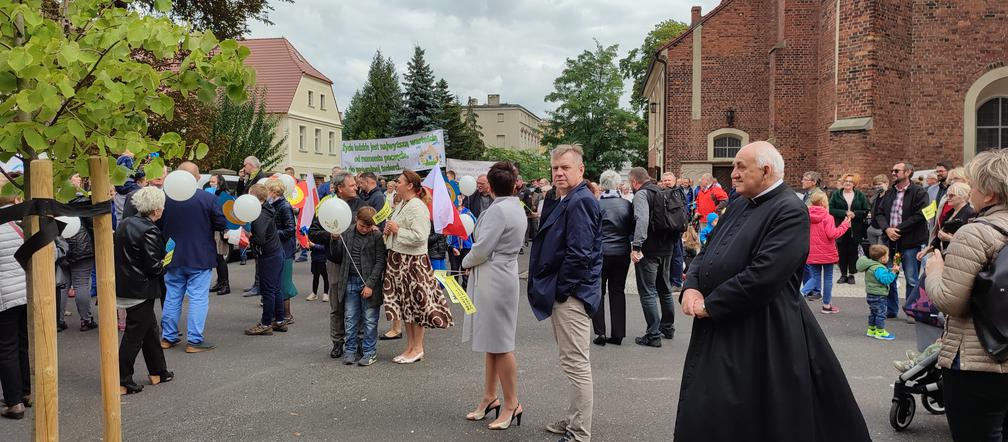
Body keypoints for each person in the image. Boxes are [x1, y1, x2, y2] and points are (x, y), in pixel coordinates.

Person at [676, 141, 870, 441]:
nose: (733, 174)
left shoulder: (789, 210)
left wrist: (710, 305)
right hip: (720, 324)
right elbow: (708, 250)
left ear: (765, 171)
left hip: (762, 332)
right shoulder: (740, 201)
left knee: (753, 416)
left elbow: (764, 275)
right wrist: (691, 287)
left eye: (741, 167)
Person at [925, 149, 1008, 442]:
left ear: (988, 194)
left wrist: (934, 270)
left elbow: (951, 301)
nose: (969, 191)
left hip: (978, 362)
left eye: (973, 185)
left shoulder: (974, 234)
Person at [527, 145, 602, 442]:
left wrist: (562, 291)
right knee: (572, 362)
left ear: (580, 170)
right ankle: (574, 419)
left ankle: (579, 432)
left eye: (565, 167)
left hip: (573, 295)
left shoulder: (580, 201)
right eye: (555, 168)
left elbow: (580, 254)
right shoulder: (567, 198)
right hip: (569, 291)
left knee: (576, 363)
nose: (559, 172)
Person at [462, 161, 527, 430]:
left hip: (494, 275)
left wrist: (465, 262)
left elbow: (481, 248)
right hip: (501, 272)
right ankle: (490, 397)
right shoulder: (516, 207)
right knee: (493, 341)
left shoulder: (498, 211)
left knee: (501, 342)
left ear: (489, 185)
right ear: (514, 184)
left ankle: (511, 403)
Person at [382, 169, 454, 364]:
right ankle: (410, 347)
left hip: (412, 262)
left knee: (416, 306)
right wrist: (388, 231)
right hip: (400, 261)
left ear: (410, 185)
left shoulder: (417, 206)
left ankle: (418, 348)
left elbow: (420, 237)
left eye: (399, 181)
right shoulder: (403, 204)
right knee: (406, 307)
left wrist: (397, 230)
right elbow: (397, 229)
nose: (396, 184)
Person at [159, 162, 227, 353]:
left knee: (172, 296)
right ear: (197, 178)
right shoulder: (206, 198)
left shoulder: (164, 198)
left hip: (172, 255)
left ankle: (168, 337)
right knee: (198, 297)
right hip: (200, 255)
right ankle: (194, 340)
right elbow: (220, 222)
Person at [114, 187, 174, 394]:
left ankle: (159, 371)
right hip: (141, 288)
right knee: (134, 335)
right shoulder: (150, 230)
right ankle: (122, 379)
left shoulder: (125, 223)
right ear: (156, 210)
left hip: (126, 284)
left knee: (149, 329)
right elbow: (153, 266)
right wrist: (167, 260)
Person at [309, 171, 369, 357]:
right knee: (336, 305)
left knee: (359, 305)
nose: (356, 188)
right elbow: (313, 232)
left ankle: (358, 340)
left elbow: (373, 228)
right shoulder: (327, 206)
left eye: (355, 185)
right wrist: (330, 235)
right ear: (340, 188)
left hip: (358, 263)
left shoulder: (362, 205)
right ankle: (337, 342)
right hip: (335, 262)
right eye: (351, 186)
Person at [874, 161, 930, 320]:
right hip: (891, 243)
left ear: (908, 172)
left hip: (910, 243)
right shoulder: (890, 193)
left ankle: (911, 311)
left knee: (911, 279)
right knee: (890, 276)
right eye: (892, 170)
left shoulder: (919, 192)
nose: (893, 173)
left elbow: (921, 215)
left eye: (896, 170)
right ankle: (891, 310)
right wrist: (887, 229)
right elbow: (879, 213)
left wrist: (898, 229)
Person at [628, 167, 677, 348]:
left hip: (649, 249)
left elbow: (642, 220)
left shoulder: (642, 195)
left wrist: (636, 245)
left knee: (647, 291)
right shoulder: (661, 191)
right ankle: (668, 327)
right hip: (667, 247)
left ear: (634, 182)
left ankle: (653, 334)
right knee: (664, 288)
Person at [333, 206, 387, 366]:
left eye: (368, 227)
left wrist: (370, 284)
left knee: (370, 319)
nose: (364, 229)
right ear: (357, 219)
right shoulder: (347, 232)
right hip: (349, 280)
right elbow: (337, 256)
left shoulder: (377, 236)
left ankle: (370, 352)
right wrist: (334, 240)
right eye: (362, 225)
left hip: (369, 282)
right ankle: (350, 350)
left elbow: (380, 262)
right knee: (350, 318)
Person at [591, 170, 633, 346]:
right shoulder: (626, 204)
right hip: (622, 251)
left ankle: (600, 332)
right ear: (617, 184)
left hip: (601, 252)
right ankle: (618, 333)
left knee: (598, 291)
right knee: (617, 291)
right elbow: (632, 227)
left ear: (602, 185)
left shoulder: (595, 205)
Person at [243, 184, 286, 335]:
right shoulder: (266, 209)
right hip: (276, 253)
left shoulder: (260, 214)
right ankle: (279, 321)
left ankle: (266, 323)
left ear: (254, 197)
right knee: (275, 289)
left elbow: (260, 239)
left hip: (269, 255)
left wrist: (249, 236)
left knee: (268, 290)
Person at [0, 193, 28, 419]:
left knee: (6, 348)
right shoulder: (18, 225)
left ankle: (14, 401)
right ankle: (26, 392)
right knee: (22, 344)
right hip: (24, 292)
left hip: (4, 297)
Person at [804, 191, 851, 313]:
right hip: (827, 252)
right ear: (824, 202)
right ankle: (826, 306)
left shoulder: (805, 216)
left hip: (812, 251)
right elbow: (832, 234)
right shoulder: (827, 217)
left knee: (815, 277)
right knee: (828, 278)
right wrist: (845, 225)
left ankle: (800, 294)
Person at [828, 173, 869, 284]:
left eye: (850, 181)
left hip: (855, 228)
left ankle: (852, 274)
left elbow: (866, 210)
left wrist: (855, 213)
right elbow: (830, 209)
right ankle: (843, 274)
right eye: (846, 181)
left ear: (854, 184)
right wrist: (844, 213)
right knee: (841, 250)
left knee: (853, 251)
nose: (848, 183)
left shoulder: (860, 195)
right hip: (840, 226)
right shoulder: (836, 194)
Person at [267, 179, 297, 325]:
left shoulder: (284, 206)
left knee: (284, 283)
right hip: (278, 248)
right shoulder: (274, 205)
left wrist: (272, 233)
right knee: (278, 282)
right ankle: (278, 314)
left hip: (285, 249)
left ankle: (287, 315)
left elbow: (290, 229)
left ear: (273, 192)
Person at [856, 244, 900, 340]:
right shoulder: (879, 268)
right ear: (883, 258)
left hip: (871, 294)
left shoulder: (872, 265)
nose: (888, 257)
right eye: (887, 256)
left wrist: (889, 270)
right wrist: (894, 272)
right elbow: (886, 280)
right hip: (879, 295)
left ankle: (871, 329)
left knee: (873, 313)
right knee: (881, 313)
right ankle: (880, 331)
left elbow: (879, 275)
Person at [207, 174, 231, 295]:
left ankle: (225, 284)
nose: (211, 184)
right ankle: (220, 282)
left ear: (220, 182)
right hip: (213, 229)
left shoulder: (224, 196)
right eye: (210, 182)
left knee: (220, 257)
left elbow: (227, 213)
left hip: (221, 230)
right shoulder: (211, 194)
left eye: (213, 182)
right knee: (217, 258)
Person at [865, 173, 890, 247]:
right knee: (874, 254)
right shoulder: (876, 196)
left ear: (886, 183)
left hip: (883, 229)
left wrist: (886, 192)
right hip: (872, 227)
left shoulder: (890, 195)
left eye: (880, 184)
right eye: (876, 184)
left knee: (881, 254)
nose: (877, 186)